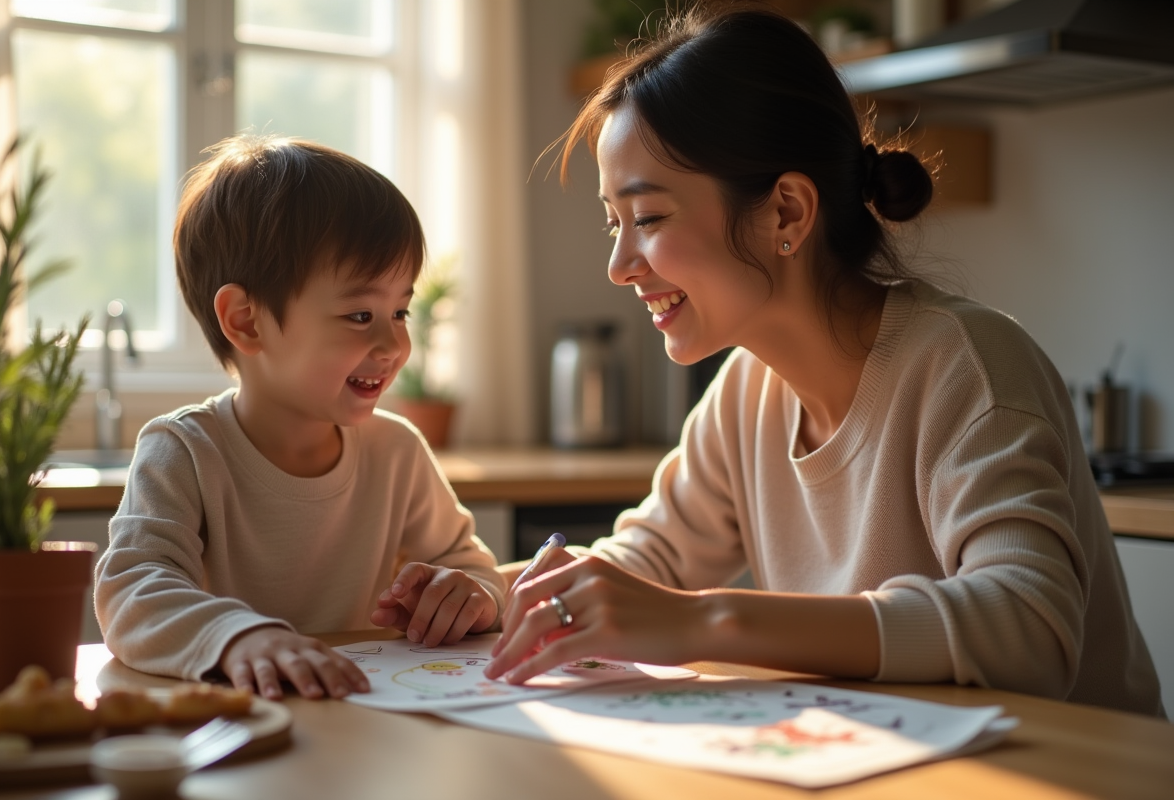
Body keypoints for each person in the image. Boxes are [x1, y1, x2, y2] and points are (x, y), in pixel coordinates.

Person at [487, 2, 1163, 717]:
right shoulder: (746, 392)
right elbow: (646, 563)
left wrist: (706, 621)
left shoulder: (965, 365)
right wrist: (492, 590)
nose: (620, 266)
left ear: (786, 212)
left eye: (648, 218)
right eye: (613, 223)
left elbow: (1029, 629)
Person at [95, 135, 505, 701]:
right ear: (246, 321)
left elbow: (471, 565)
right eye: (361, 314)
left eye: (400, 310)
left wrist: (472, 595)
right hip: (236, 729)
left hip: (361, 722)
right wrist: (236, 639)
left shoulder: (397, 451)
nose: (394, 344)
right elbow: (130, 591)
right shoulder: (184, 452)